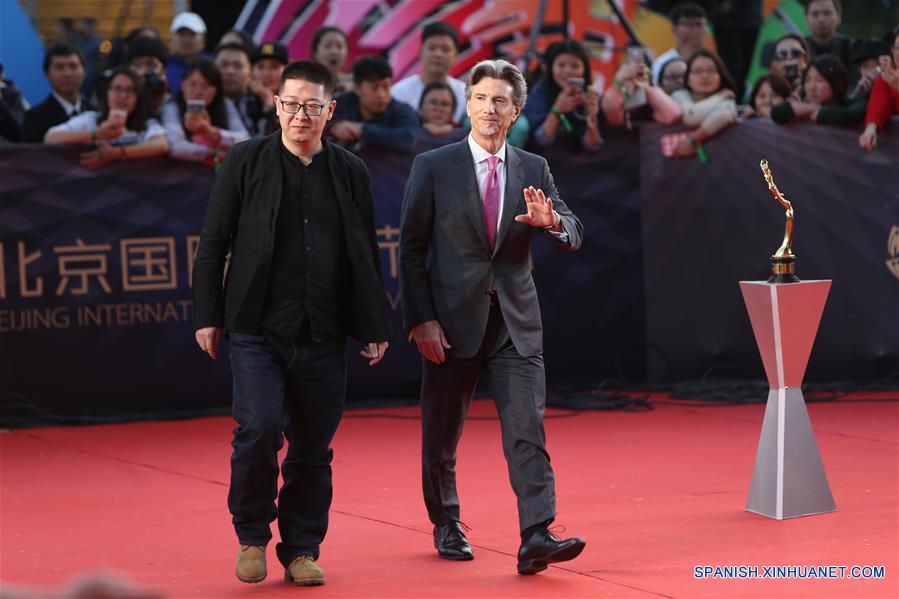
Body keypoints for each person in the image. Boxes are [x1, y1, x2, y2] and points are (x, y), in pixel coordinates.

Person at [192, 60, 393, 587]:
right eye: (290, 104)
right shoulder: (244, 161)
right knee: (258, 428)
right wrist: (208, 315)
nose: (299, 115)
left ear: (330, 110)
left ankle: (302, 547)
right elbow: (214, 243)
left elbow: (364, 251)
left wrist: (375, 322)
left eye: (311, 106)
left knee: (312, 447)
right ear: (276, 106)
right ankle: (252, 536)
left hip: (323, 330)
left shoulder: (350, 170)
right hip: (257, 326)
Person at [399, 58, 586, 576]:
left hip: (514, 321)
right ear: (468, 103)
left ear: (516, 109)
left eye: (500, 100)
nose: (489, 108)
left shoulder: (533, 168)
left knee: (527, 429)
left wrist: (552, 225)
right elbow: (411, 251)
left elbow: (571, 226)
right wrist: (422, 319)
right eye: (481, 98)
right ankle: (446, 521)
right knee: (442, 434)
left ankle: (536, 534)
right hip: (450, 322)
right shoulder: (433, 167)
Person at [44, 68, 168, 169]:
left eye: (130, 90)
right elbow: (51, 138)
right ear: (107, 93)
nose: (123, 96)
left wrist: (116, 153)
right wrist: (96, 134)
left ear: (138, 97)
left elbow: (162, 145)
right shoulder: (91, 119)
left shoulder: (147, 124)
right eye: (117, 88)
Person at [160, 58, 249, 165]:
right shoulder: (171, 105)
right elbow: (176, 147)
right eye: (192, 85)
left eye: (205, 86)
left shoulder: (225, 104)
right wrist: (213, 152)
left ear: (216, 90)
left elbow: (245, 140)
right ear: (183, 85)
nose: (198, 92)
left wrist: (211, 132)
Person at [329, 55, 419, 153]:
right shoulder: (338, 103)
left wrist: (362, 129)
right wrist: (333, 126)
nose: (381, 94)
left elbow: (409, 138)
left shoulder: (402, 110)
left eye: (386, 86)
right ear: (356, 88)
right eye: (374, 87)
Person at [523, 40, 601, 151]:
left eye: (575, 66)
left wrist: (591, 116)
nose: (568, 71)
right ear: (551, 68)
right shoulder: (538, 95)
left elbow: (593, 146)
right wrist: (557, 110)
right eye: (561, 65)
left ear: (585, 70)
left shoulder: (589, 95)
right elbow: (540, 141)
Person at [392, 22, 467, 124]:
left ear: (455, 56)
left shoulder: (466, 95)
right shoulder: (399, 94)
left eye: (445, 49)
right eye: (432, 48)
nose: (438, 54)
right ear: (421, 53)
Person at [670, 49, 738, 158]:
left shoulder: (727, 102)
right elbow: (690, 116)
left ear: (720, 75)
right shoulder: (679, 95)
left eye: (711, 70)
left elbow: (725, 113)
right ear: (687, 79)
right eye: (697, 71)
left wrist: (692, 140)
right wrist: (719, 98)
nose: (705, 76)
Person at [21, 44, 93, 143]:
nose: (67, 74)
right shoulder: (34, 118)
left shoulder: (95, 112)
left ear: (84, 71)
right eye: (60, 67)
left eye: (73, 66)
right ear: (47, 74)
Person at [770, 54, 866, 127]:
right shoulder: (802, 101)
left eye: (819, 80)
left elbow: (849, 115)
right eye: (808, 80)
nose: (812, 87)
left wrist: (814, 111)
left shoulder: (856, 102)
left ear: (836, 83)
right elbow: (777, 113)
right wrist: (813, 108)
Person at [602, 49, 682, 128]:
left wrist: (646, 88)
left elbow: (674, 115)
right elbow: (612, 114)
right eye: (628, 75)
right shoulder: (613, 95)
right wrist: (619, 82)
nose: (633, 80)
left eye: (639, 74)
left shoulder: (653, 99)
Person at [859, 26, 899, 151]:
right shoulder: (886, 77)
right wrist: (871, 129)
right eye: (898, 48)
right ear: (892, 50)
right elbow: (878, 104)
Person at [651, 3, 708, 86]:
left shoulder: (712, 62)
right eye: (688, 24)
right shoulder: (662, 63)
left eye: (699, 24)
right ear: (675, 29)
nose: (695, 30)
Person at [214, 42, 262, 135]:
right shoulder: (202, 103)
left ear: (250, 73)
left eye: (238, 66)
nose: (230, 71)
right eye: (224, 65)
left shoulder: (263, 104)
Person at [250, 41, 289, 136]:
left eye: (274, 67)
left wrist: (269, 104)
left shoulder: (293, 104)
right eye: (260, 67)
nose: (267, 73)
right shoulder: (244, 101)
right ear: (251, 71)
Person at [804, 0, 853, 73]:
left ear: (839, 17)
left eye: (827, 13)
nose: (821, 19)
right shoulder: (798, 49)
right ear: (806, 20)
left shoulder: (852, 47)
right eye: (815, 14)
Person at [167, 12, 209, 94]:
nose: (186, 39)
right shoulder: (164, 66)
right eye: (181, 34)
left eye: (192, 34)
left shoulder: (214, 64)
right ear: (172, 38)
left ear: (203, 39)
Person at [127, 35, 170, 117]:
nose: (142, 72)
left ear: (164, 70)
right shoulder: (119, 96)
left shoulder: (170, 102)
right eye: (137, 65)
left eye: (150, 64)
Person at [311, 26, 352, 93]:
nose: (334, 51)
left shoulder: (352, 85)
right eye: (327, 46)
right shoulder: (304, 83)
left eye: (339, 46)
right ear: (315, 53)